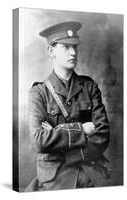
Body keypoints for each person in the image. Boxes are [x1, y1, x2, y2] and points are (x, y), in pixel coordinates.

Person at [25, 21, 110, 192]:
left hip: (88, 170)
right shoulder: (39, 93)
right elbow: (39, 141)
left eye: (75, 47)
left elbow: (102, 134)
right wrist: (81, 130)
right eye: (65, 47)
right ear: (51, 51)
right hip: (54, 177)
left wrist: (58, 134)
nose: (73, 53)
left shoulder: (89, 87)